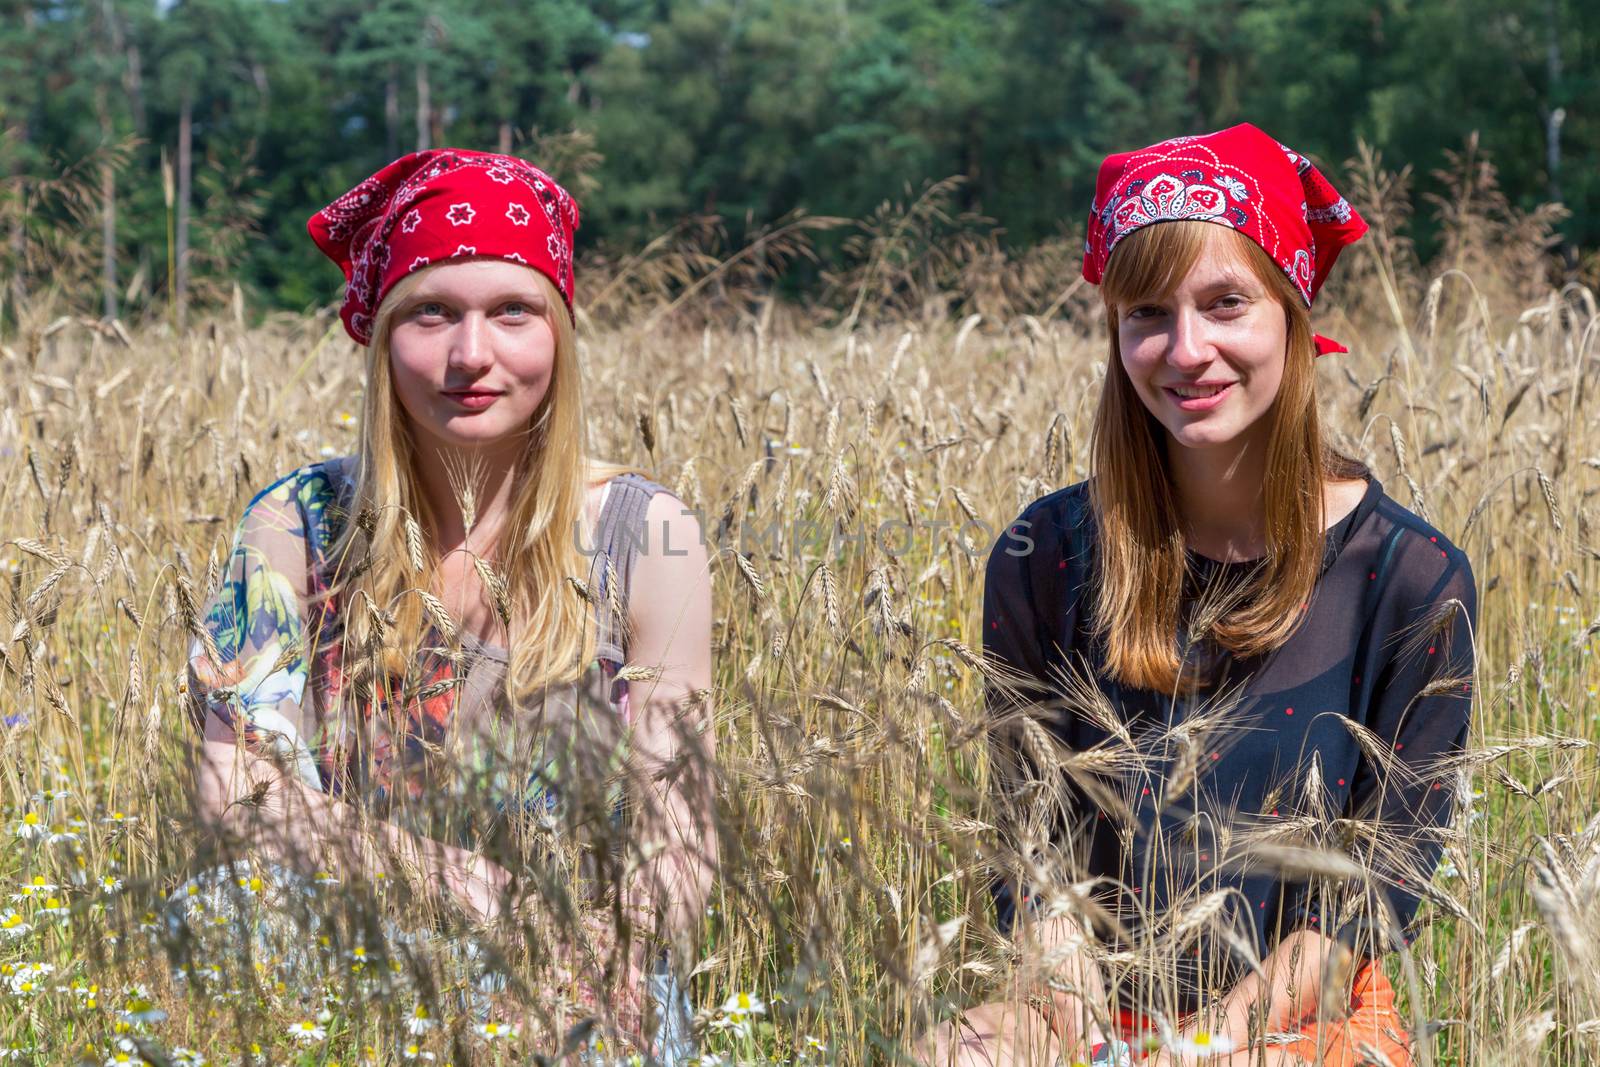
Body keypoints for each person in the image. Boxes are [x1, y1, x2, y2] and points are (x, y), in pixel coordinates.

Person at [923, 124, 1477, 1065]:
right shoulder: (1043, 555)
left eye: (1226, 304)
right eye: (1147, 313)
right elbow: (1033, 854)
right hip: (1085, 1005)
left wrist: (1205, 1045)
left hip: (1305, 1014)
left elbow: (1372, 896)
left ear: (1292, 314)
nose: (1187, 350)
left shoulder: (1412, 577)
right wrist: (1088, 1023)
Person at [175, 149, 715, 1061]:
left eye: (514, 310)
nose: (473, 354)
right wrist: (456, 882)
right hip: (348, 922)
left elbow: (681, 823)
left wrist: (601, 946)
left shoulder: (646, 533)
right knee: (209, 916)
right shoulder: (296, 525)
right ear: (380, 338)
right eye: (432, 313)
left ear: (560, 336)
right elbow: (235, 788)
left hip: (575, 952)